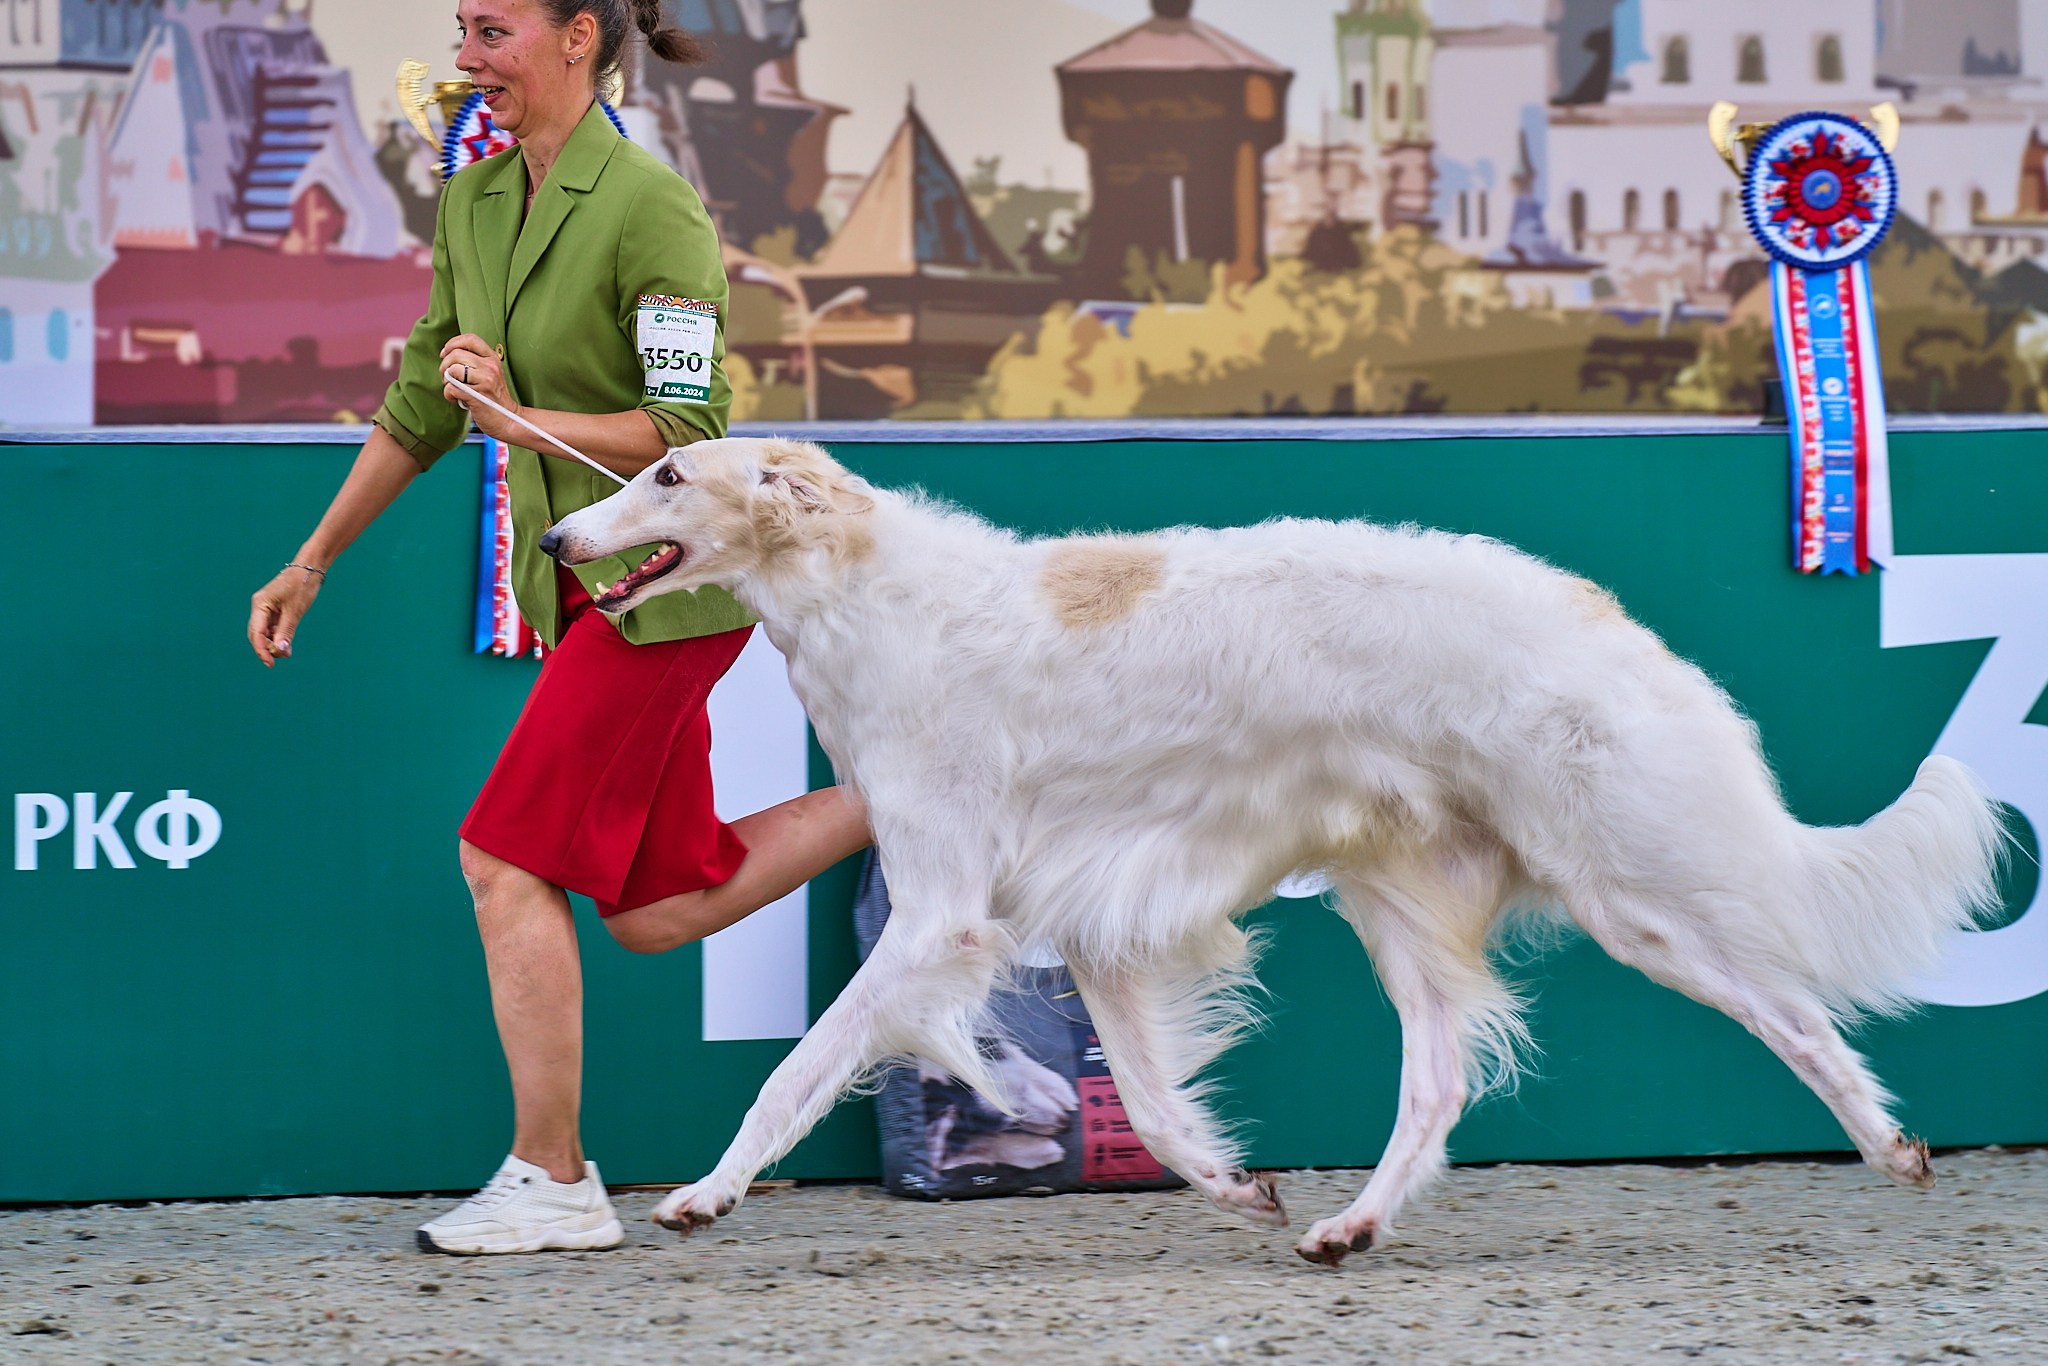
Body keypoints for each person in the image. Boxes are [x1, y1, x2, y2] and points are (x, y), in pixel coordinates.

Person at [246, 0, 869, 1255]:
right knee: (655, 901)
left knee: (501, 859)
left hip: (663, 595)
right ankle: (927, 783)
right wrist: (312, 558)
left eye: (492, 31)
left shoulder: (654, 206)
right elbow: (426, 401)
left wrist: (516, 411)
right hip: (580, 589)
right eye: (462, 33)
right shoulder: (472, 203)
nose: (468, 57)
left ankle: (554, 1176)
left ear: (580, 37)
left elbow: (690, 441)